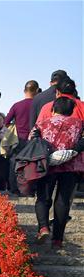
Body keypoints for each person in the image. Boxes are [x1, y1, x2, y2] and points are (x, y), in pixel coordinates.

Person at [32, 96, 84, 249]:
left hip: (47, 164)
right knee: (63, 200)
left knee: (43, 197)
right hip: (71, 166)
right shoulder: (79, 124)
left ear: (53, 109)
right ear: (72, 110)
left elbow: (32, 139)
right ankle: (57, 240)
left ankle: (43, 227)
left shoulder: (42, 124)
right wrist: (73, 151)